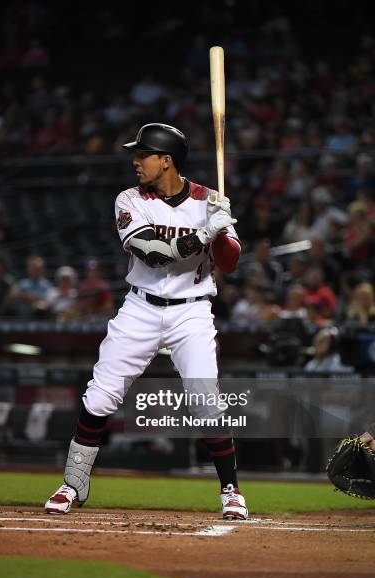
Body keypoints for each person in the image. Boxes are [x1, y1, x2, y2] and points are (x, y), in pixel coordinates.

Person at [45, 123, 248, 520]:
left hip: (191, 309)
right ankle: (73, 483)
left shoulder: (210, 199)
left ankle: (231, 491)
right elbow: (152, 253)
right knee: (100, 395)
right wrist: (206, 231)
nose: (136, 162)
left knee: (206, 400)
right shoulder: (130, 199)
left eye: (144, 155)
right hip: (140, 307)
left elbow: (230, 263)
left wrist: (222, 230)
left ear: (166, 160)